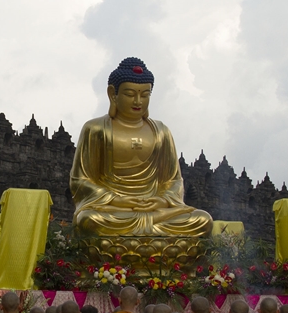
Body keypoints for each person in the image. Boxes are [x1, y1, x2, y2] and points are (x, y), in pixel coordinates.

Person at [69, 56, 212, 237]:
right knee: (90, 221)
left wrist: (161, 202)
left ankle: (143, 238)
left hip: (157, 211)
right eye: (130, 94)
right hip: (114, 211)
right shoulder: (96, 129)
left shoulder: (161, 132)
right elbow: (81, 181)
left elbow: (173, 181)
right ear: (113, 94)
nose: (138, 101)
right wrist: (119, 200)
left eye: (145, 95)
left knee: (202, 220)